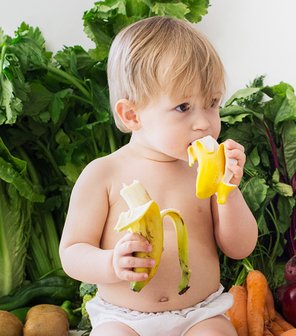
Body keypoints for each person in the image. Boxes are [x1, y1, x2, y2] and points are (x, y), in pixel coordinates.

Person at [59, 16, 258, 336]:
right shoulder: (104, 173)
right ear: (132, 114)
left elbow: (240, 247)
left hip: (199, 314)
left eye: (212, 104)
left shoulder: (204, 171)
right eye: (183, 107)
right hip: (125, 318)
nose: (204, 123)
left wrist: (228, 190)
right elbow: (72, 253)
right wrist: (111, 263)